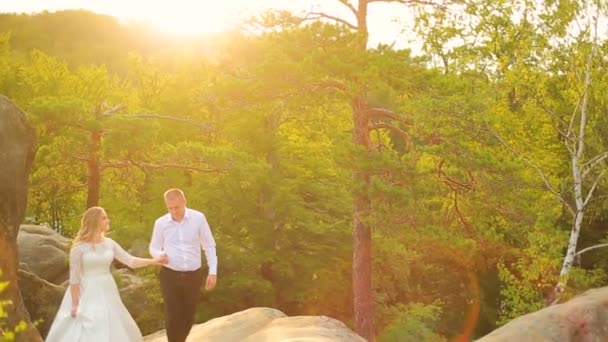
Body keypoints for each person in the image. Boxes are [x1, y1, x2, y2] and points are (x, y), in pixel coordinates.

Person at [45, 206, 166, 342]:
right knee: (92, 324)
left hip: (108, 288)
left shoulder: (110, 243)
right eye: (104, 218)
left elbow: (131, 261)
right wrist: (74, 304)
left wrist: (154, 261)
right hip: (87, 291)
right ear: (94, 221)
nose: (108, 220)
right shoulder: (78, 248)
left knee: (111, 322)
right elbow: (74, 278)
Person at [149, 188, 218, 342]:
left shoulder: (198, 218)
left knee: (188, 315)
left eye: (176, 207)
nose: (173, 211)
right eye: (170, 208)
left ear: (184, 202)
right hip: (170, 275)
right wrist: (160, 255)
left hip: (193, 275)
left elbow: (209, 245)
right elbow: (153, 247)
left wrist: (212, 271)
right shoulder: (160, 223)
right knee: (172, 315)